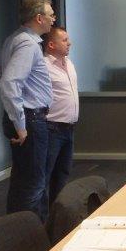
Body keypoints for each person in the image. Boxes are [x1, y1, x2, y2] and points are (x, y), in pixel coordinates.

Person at [0, 0, 55, 221]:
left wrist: (20, 95)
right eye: (51, 14)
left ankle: (15, 231)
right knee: (34, 183)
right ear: (39, 18)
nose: (53, 19)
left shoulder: (14, 38)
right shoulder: (28, 44)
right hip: (30, 120)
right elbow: (8, 82)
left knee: (22, 180)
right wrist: (20, 121)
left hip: (25, 117)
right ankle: (31, 235)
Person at [42, 26, 79, 206]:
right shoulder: (43, 66)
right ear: (51, 44)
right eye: (64, 40)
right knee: (45, 174)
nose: (69, 43)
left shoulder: (69, 63)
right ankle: (39, 218)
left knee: (62, 174)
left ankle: (57, 214)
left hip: (69, 127)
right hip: (52, 127)